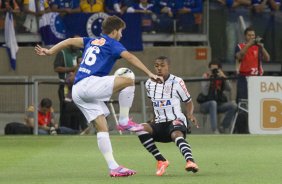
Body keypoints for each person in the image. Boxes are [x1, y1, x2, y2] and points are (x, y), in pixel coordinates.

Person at [35, 15, 163, 177]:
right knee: (129, 77)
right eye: (121, 31)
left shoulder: (90, 41)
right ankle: (123, 120)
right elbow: (130, 57)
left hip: (78, 90)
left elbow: (68, 41)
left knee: (102, 127)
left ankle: (113, 167)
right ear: (115, 31)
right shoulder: (112, 44)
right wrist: (150, 73)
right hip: (90, 84)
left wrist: (50, 51)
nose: (121, 35)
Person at [136, 56, 199, 176]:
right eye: (156, 65)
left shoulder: (177, 82)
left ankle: (190, 161)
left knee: (177, 135)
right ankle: (161, 161)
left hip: (175, 120)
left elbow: (188, 101)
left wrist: (190, 114)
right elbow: (153, 102)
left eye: (162, 65)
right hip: (160, 123)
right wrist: (154, 118)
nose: (159, 68)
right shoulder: (149, 83)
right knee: (139, 128)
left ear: (168, 66)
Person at [197, 60, 237, 133]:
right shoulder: (206, 76)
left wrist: (224, 78)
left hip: (219, 104)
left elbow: (229, 88)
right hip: (206, 105)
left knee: (233, 105)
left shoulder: (221, 77)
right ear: (209, 69)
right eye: (212, 69)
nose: (214, 71)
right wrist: (209, 79)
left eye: (216, 69)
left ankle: (223, 126)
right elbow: (204, 92)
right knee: (213, 103)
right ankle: (215, 130)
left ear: (220, 69)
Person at [235, 26, 270, 101]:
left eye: (253, 35)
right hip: (244, 77)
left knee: (257, 100)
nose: (251, 37)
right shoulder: (240, 46)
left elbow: (267, 58)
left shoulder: (258, 47)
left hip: (257, 77)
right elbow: (239, 57)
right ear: (245, 36)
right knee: (244, 100)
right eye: (249, 35)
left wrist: (262, 47)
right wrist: (248, 45)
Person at [53, 38, 82, 128]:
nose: (78, 46)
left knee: (77, 108)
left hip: (77, 86)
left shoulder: (79, 53)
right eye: (76, 43)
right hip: (65, 86)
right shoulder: (62, 53)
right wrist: (72, 68)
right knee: (65, 108)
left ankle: (76, 128)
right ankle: (64, 129)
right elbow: (56, 68)